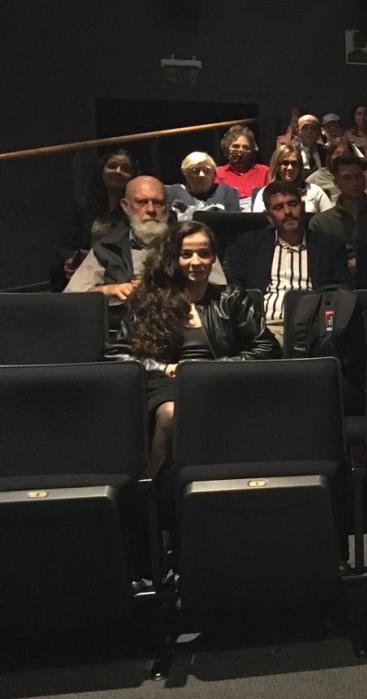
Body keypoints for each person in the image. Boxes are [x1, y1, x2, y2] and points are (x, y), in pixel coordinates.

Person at [106, 220, 278, 476]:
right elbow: (116, 354)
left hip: (221, 379)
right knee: (171, 412)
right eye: (186, 254)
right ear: (173, 258)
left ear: (213, 258)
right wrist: (165, 368)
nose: (196, 262)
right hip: (167, 383)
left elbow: (267, 347)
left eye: (204, 253)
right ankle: (154, 486)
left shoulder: (231, 298)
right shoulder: (150, 300)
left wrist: (215, 368)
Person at [67, 175, 225, 306]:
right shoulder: (108, 247)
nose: (150, 210)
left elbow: (219, 291)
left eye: (158, 203)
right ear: (125, 206)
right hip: (124, 331)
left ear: (167, 207)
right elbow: (71, 297)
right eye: (142, 202)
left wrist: (158, 289)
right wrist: (107, 291)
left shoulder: (190, 242)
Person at [225, 181, 351, 343]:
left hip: (314, 328)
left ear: (303, 206)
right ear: (268, 215)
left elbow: (342, 289)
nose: (288, 212)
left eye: (293, 204)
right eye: (278, 208)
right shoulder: (249, 245)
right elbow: (236, 289)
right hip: (265, 327)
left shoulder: (329, 246)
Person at [56, 148, 135, 284]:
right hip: (87, 270)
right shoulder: (85, 205)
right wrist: (72, 259)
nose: (117, 171)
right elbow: (66, 246)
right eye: (112, 166)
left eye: (125, 168)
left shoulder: (137, 206)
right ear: (102, 170)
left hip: (123, 272)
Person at [253, 145, 334, 213]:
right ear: (276, 166)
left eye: (294, 163)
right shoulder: (264, 193)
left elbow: (329, 219)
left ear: (300, 167)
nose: (290, 168)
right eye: (285, 163)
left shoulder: (314, 191)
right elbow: (260, 223)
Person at [164, 151, 240, 219]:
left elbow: (235, 222)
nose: (201, 175)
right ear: (185, 173)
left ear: (214, 174)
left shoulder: (226, 191)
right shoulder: (173, 192)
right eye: (195, 170)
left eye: (207, 170)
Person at [215, 124, 270, 206]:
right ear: (226, 149)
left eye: (245, 147)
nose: (240, 151)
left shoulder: (264, 171)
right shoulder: (218, 173)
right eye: (236, 146)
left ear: (251, 151)